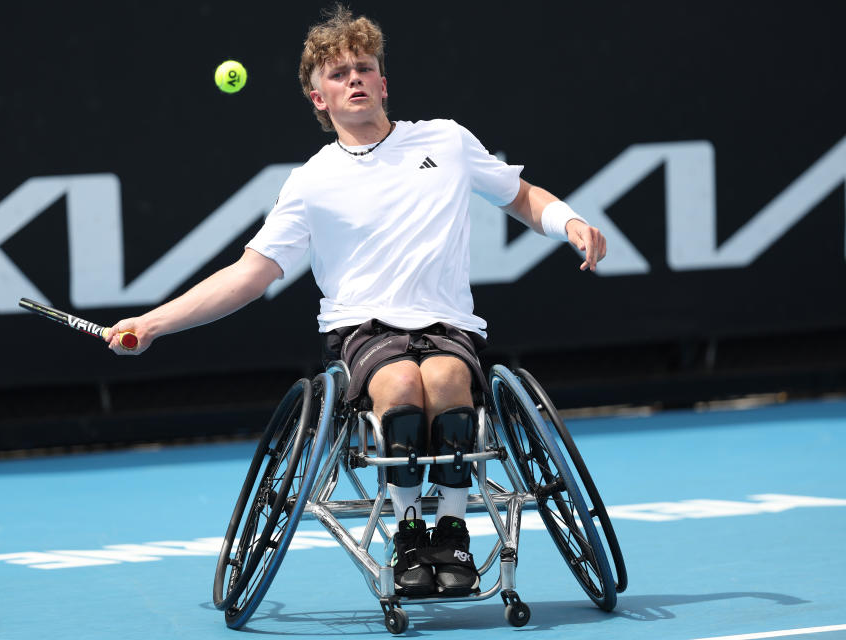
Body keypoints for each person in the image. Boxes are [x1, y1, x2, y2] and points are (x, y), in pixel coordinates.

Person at [106, 6, 606, 598]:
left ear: (384, 83)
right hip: (364, 332)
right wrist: (154, 323)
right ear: (319, 99)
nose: (355, 80)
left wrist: (568, 221)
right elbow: (249, 275)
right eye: (339, 75)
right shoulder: (311, 182)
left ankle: (451, 532)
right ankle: (408, 534)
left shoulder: (445, 140)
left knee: (446, 380)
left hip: (448, 324)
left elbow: (520, 196)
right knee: (398, 387)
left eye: (364, 69)